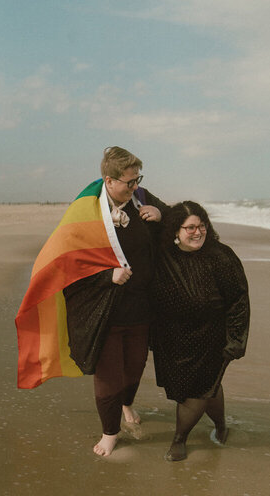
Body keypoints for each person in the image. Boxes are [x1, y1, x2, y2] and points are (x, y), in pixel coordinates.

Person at [63, 147, 167, 457]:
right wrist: (106, 276)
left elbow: (175, 217)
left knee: (134, 367)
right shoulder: (86, 211)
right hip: (105, 309)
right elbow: (69, 262)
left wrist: (161, 216)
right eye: (129, 182)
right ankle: (110, 432)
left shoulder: (143, 197)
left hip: (141, 308)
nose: (136, 186)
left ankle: (127, 405)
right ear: (109, 180)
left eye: (138, 179)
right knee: (109, 375)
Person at [151, 201, 250, 461]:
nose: (198, 232)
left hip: (211, 338)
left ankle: (179, 439)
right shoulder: (162, 254)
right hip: (172, 338)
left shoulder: (221, 256)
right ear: (175, 230)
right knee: (209, 388)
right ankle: (221, 425)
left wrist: (236, 339)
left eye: (202, 226)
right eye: (190, 227)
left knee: (196, 391)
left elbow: (239, 300)